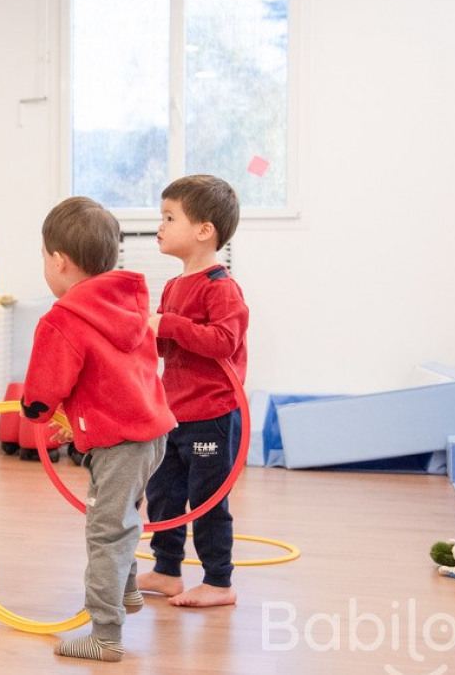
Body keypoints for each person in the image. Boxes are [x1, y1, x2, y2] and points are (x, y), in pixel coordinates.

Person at [19, 196, 176, 662]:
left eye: (43, 257)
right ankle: (126, 593)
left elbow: (43, 389)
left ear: (59, 260)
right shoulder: (127, 306)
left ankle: (105, 634)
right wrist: (82, 421)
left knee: (106, 530)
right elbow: (115, 379)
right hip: (151, 434)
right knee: (123, 514)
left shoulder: (63, 318)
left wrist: (36, 411)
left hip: (122, 444)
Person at [137, 174, 248, 608]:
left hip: (213, 414)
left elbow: (224, 342)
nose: (159, 226)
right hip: (174, 412)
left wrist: (169, 325)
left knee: (207, 500)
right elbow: (167, 346)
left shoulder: (222, 288)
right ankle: (167, 571)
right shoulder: (173, 285)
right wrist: (146, 331)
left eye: (169, 217)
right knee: (165, 494)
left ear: (204, 230)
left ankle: (219, 581)